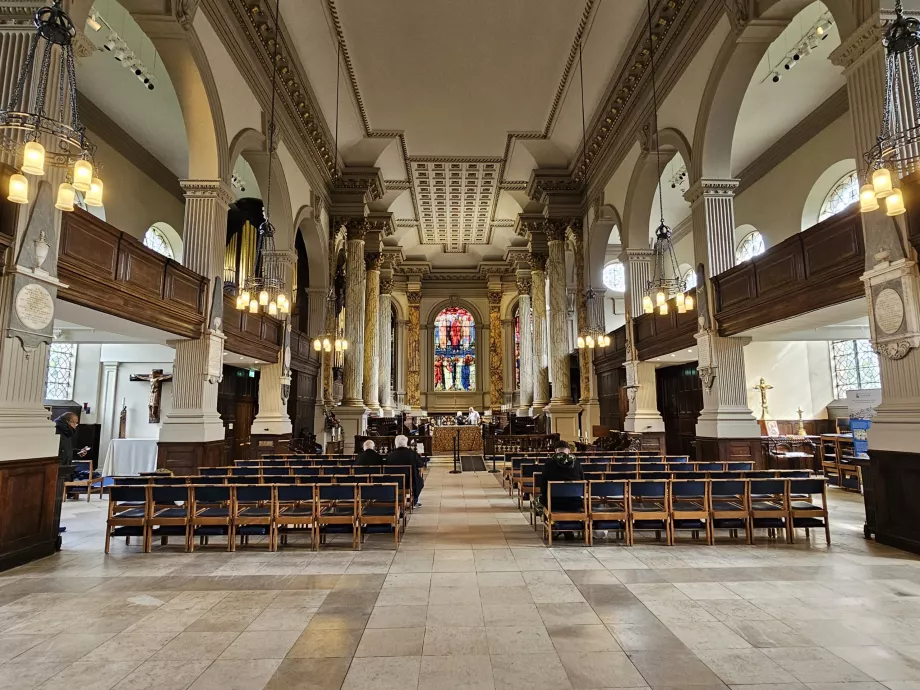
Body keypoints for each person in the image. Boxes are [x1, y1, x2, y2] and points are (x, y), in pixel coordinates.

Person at [537, 441, 584, 514]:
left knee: (537, 501)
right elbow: (582, 481)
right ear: (569, 450)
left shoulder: (549, 464)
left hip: (553, 503)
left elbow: (543, 485)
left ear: (556, 451)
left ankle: (547, 520)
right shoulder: (577, 463)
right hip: (575, 503)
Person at [386, 434, 425, 507]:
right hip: (410, 482)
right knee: (420, 481)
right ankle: (414, 501)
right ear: (406, 443)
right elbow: (421, 464)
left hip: (394, 481)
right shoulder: (412, 453)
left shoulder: (391, 455)